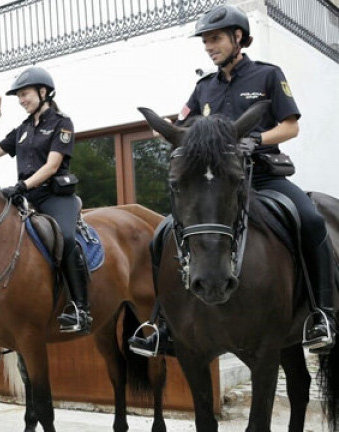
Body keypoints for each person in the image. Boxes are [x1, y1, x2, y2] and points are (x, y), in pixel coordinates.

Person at [129, 4, 336, 356]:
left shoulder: (268, 75)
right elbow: (183, 125)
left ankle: (321, 314)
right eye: (205, 42)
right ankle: (162, 324)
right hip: (217, 186)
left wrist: (256, 139)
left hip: (264, 176)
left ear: (238, 37)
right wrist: (164, 129)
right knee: (162, 233)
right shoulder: (203, 88)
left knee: (312, 220)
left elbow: (291, 126)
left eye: (215, 39)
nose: (209, 46)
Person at [0, 66, 93, 335]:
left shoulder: (61, 123)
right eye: (19, 96)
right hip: (26, 197)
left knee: (66, 238)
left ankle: (81, 308)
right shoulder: (22, 128)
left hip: (54, 195)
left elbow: (53, 165)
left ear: (43, 92)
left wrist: (22, 185)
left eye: (25, 94)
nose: (21, 100)